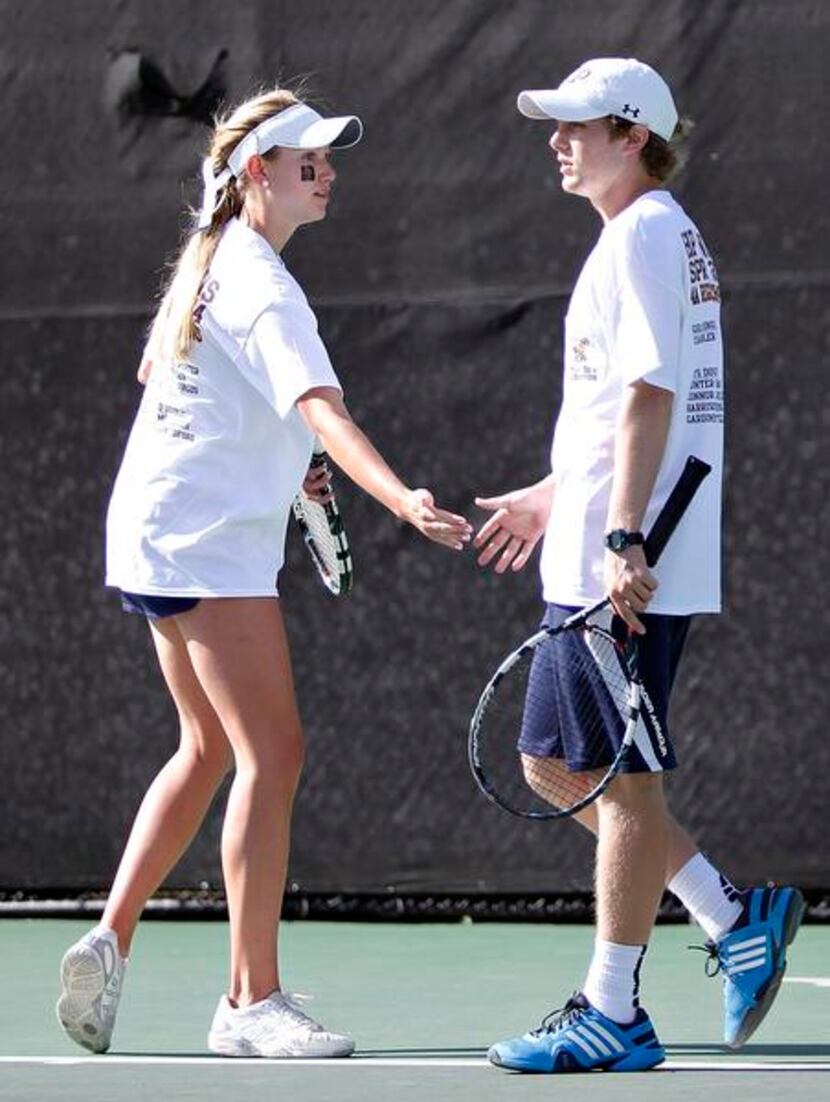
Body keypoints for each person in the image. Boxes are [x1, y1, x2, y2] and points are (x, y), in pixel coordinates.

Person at [56, 86, 472, 1059]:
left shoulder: (216, 267)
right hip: (205, 544)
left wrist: (291, 465)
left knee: (206, 745)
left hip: (160, 530)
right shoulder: (262, 284)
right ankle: (251, 1000)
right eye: (306, 162)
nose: (326, 173)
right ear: (255, 177)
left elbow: (191, 394)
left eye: (328, 160)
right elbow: (319, 408)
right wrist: (398, 496)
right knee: (271, 754)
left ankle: (109, 938)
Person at [474, 58, 803, 1073]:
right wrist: (555, 491)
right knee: (553, 760)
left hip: (623, 560)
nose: (555, 140)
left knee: (621, 782)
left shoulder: (644, 236)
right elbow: (621, 404)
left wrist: (619, 535)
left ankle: (610, 1008)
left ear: (631, 135)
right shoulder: (650, 236)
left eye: (577, 125)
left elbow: (653, 395)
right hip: (599, 544)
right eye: (554, 125)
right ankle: (731, 917)